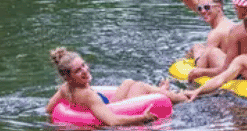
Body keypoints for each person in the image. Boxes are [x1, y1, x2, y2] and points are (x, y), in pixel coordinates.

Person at [45, 47, 189, 126]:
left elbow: (48, 109)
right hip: (113, 112)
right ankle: (183, 97)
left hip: (107, 106)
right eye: (78, 70)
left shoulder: (65, 88)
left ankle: (167, 92)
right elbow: (112, 121)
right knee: (140, 86)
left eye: (83, 65)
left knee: (128, 82)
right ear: (68, 77)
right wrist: (142, 118)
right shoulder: (87, 95)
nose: (85, 70)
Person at [170, 0, 234, 73]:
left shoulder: (215, 33)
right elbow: (196, 5)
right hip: (231, 63)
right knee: (199, 47)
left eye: (207, 7)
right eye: (200, 8)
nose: (203, 11)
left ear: (219, 7)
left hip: (225, 72)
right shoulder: (228, 23)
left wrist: (196, 52)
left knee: (197, 47)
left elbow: (201, 66)